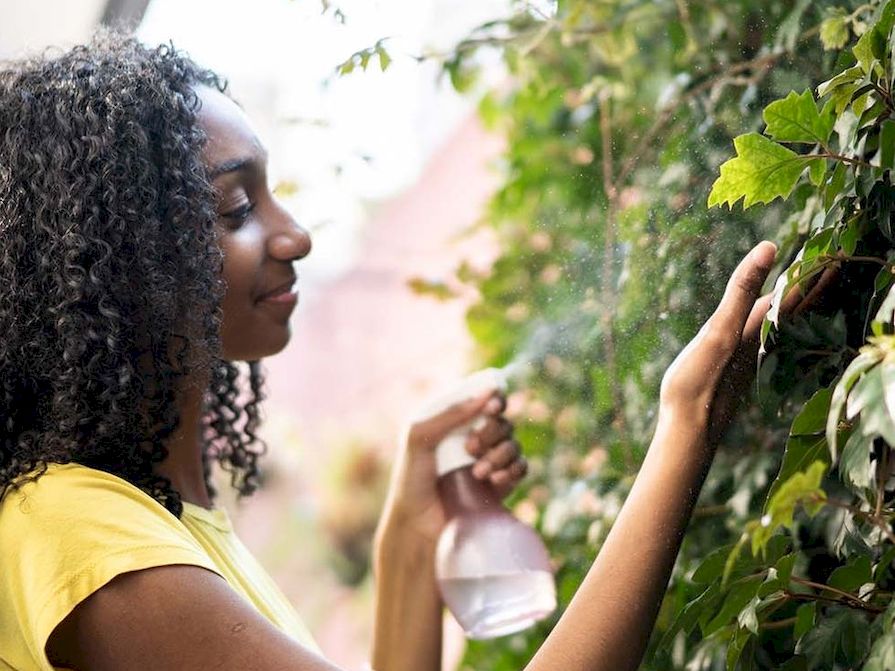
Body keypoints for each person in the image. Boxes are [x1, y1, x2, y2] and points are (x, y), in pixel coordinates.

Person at [0, 33, 812, 671]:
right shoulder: (74, 534)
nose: (295, 233)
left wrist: (413, 522)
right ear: (117, 257)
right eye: (237, 205)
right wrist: (686, 427)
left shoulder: (166, 525)